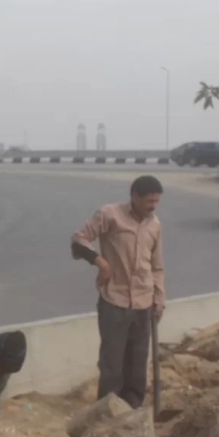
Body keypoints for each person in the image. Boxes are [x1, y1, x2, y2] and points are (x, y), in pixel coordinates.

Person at [71, 175, 166, 408]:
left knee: (137, 363)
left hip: (144, 303)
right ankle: (108, 411)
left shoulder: (155, 224)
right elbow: (78, 240)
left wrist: (159, 298)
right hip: (114, 301)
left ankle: (132, 410)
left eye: (156, 202)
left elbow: (156, 266)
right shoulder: (109, 214)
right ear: (134, 196)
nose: (153, 206)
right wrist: (100, 262)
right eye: (149, 201)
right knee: (112, 364)